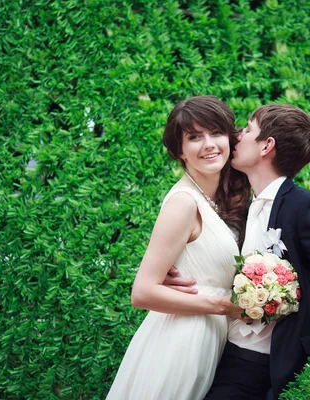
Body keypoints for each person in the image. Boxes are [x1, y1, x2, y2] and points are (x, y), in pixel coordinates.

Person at [167, 104, 310, 399]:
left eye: (247, 129)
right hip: (221, 351)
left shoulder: (304, 206)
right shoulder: (240, 205)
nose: (237, 135)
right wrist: (179, 275)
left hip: (265, 362)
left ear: (266, 146)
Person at [106, 96, 251, 400]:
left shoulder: (218, 199)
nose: (208, 144)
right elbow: (142, 292)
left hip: (207, 338)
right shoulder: (184, 203)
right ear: (179, 151)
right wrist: (222, 306)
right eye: (194, 137)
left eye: (216, 133)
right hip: (180, 343)